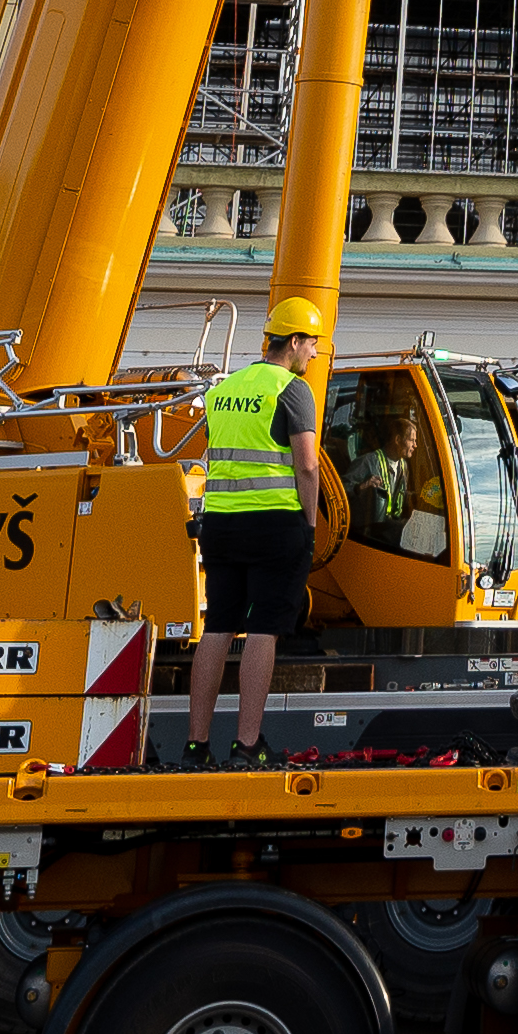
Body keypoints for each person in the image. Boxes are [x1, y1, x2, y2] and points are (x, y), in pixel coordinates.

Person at [178, 318, 325, 768]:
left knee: (218, 626)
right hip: (274, 525)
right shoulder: (293, 390)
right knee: (263, 629)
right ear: (295, 341)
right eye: (313, 345)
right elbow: (306, 465)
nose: (315, 355)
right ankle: (247, 744)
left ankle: (196, 745)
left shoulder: (222, 391)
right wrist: (310, 524)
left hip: (221, 524)